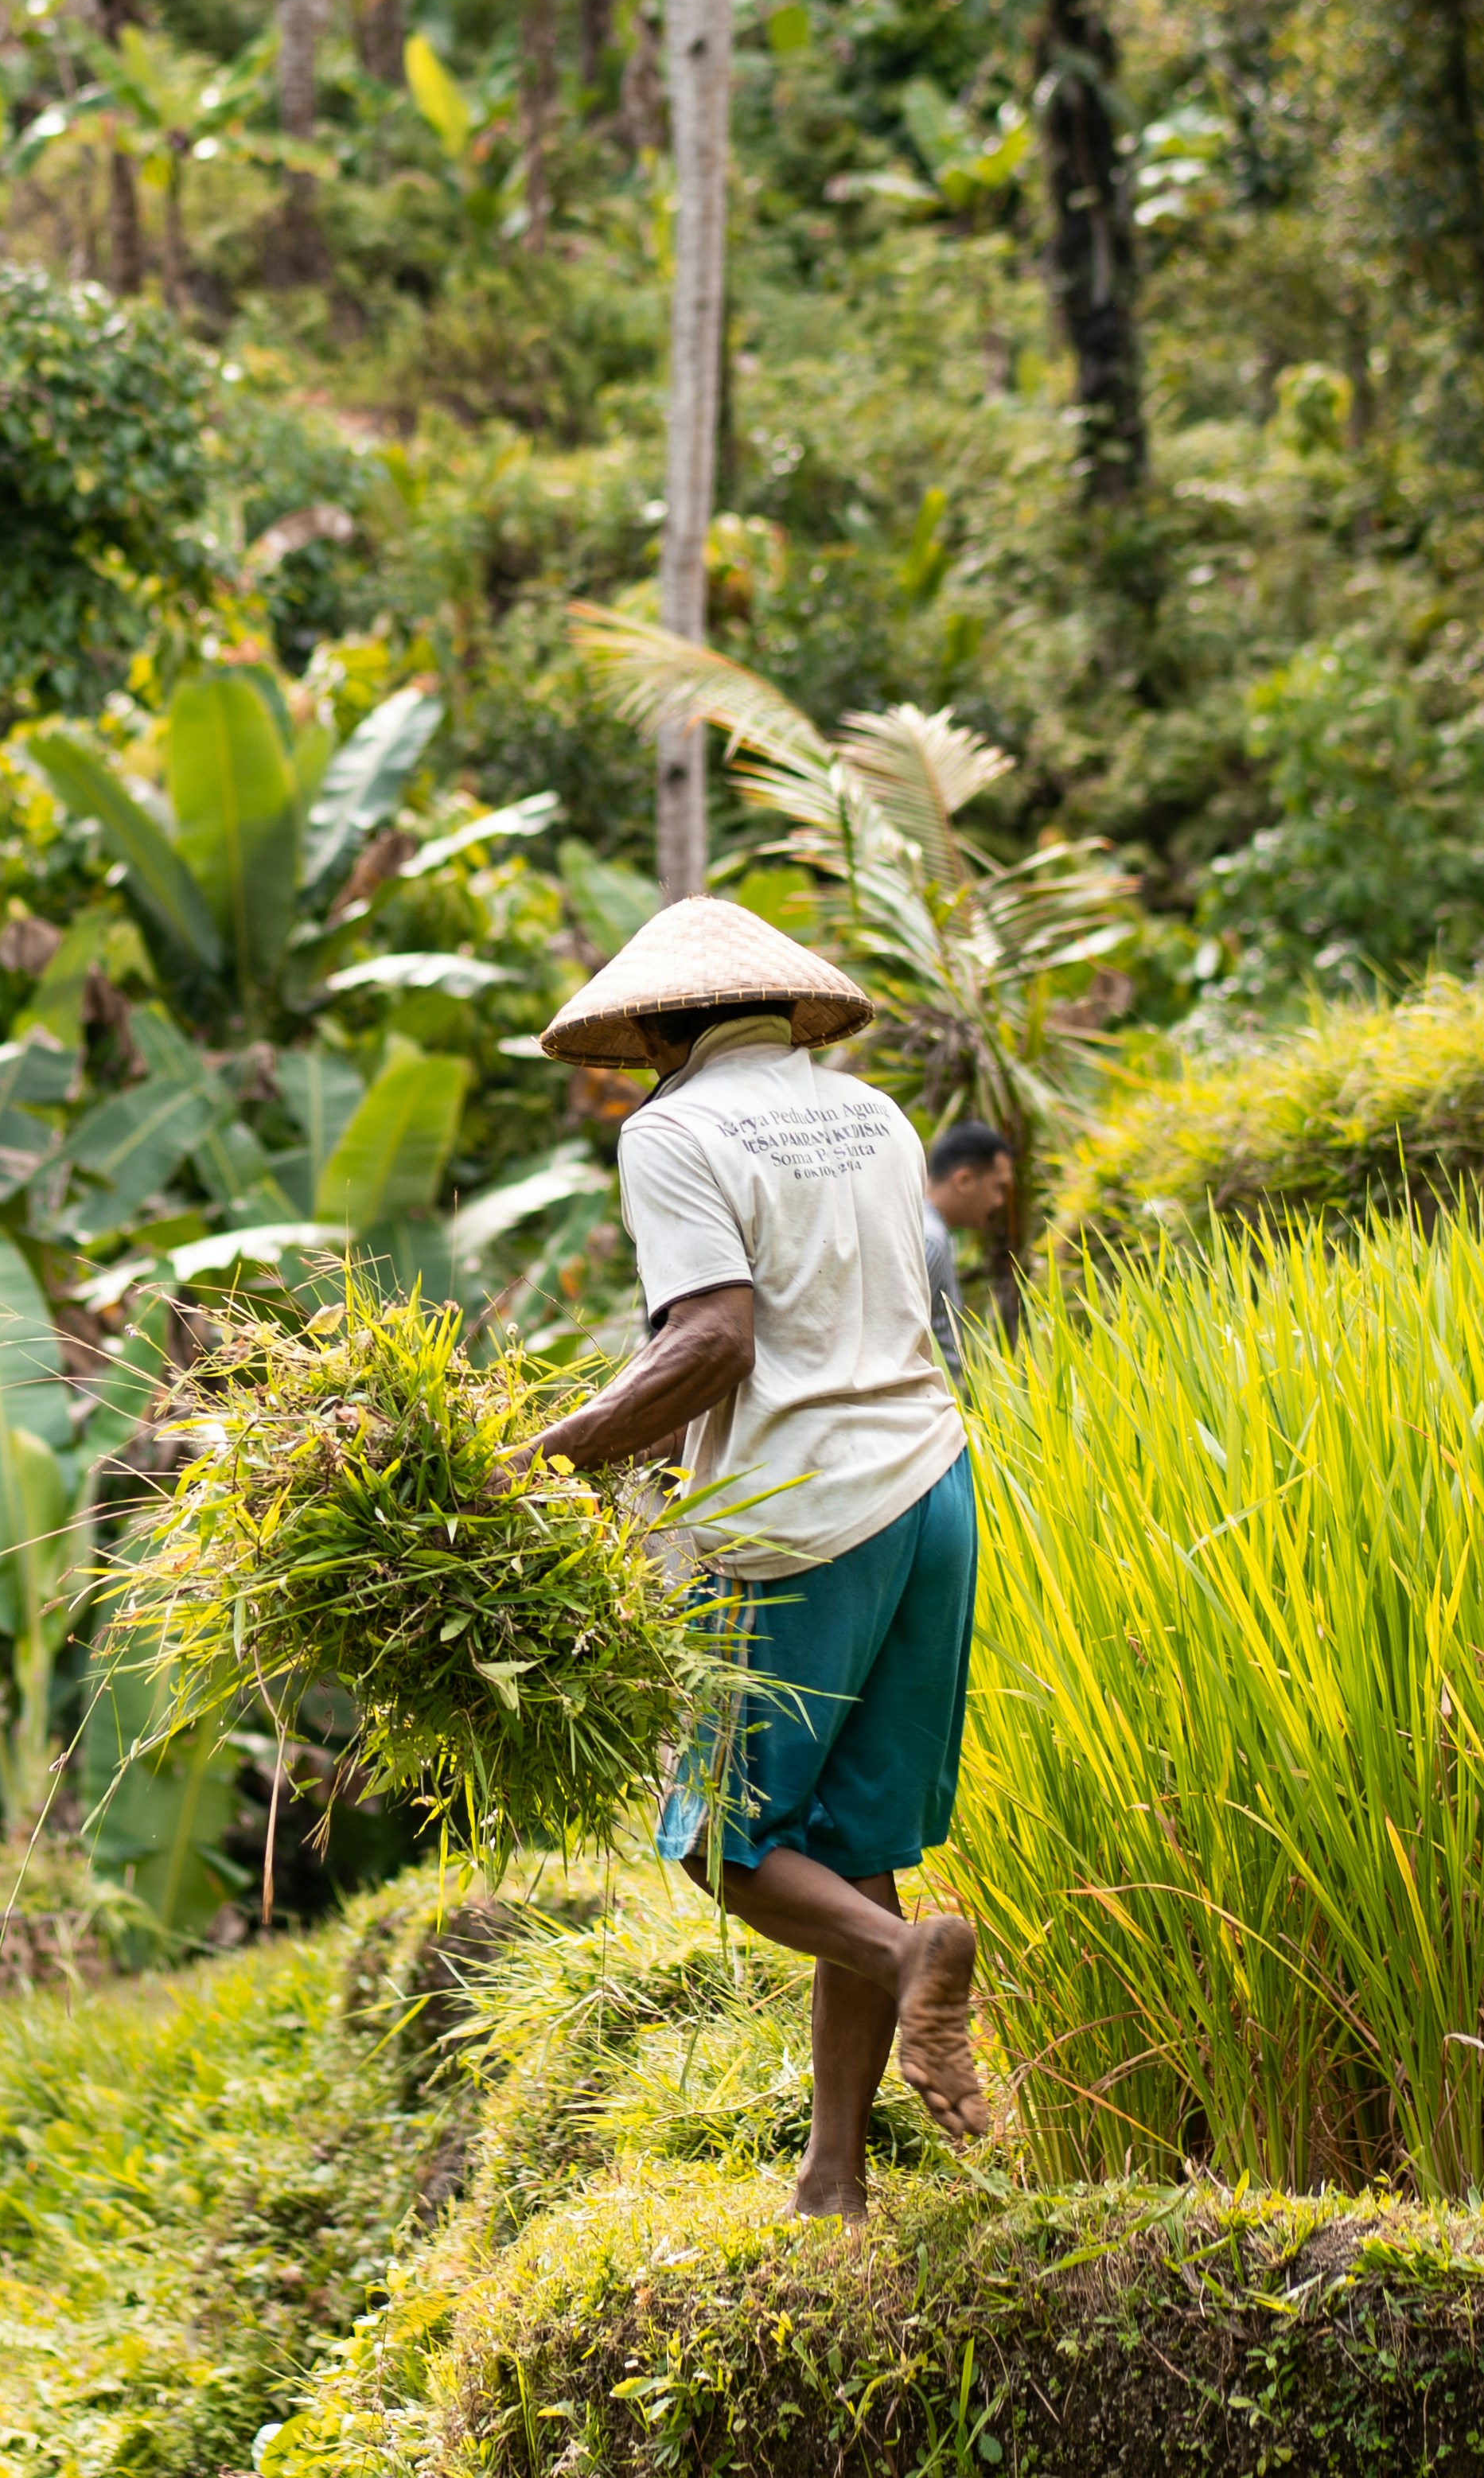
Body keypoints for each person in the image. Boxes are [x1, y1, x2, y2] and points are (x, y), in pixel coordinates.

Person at [524, 895, 992, 2219]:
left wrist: (534, 1468)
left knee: (719, 1842)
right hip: (929, 1494)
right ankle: (832, 2181)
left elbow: (716, 1342)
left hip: (797, 1523)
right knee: (846, 1844)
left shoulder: (670, 1132)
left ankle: (913, 1959)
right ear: (783, 1012)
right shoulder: (878, 1117)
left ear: (659, 1029)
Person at [922, 1119, 1013, 1371]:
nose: (999, 1202)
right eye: (998, 1187)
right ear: (965, 1180)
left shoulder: (931, 1232)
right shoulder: (929, 1239)